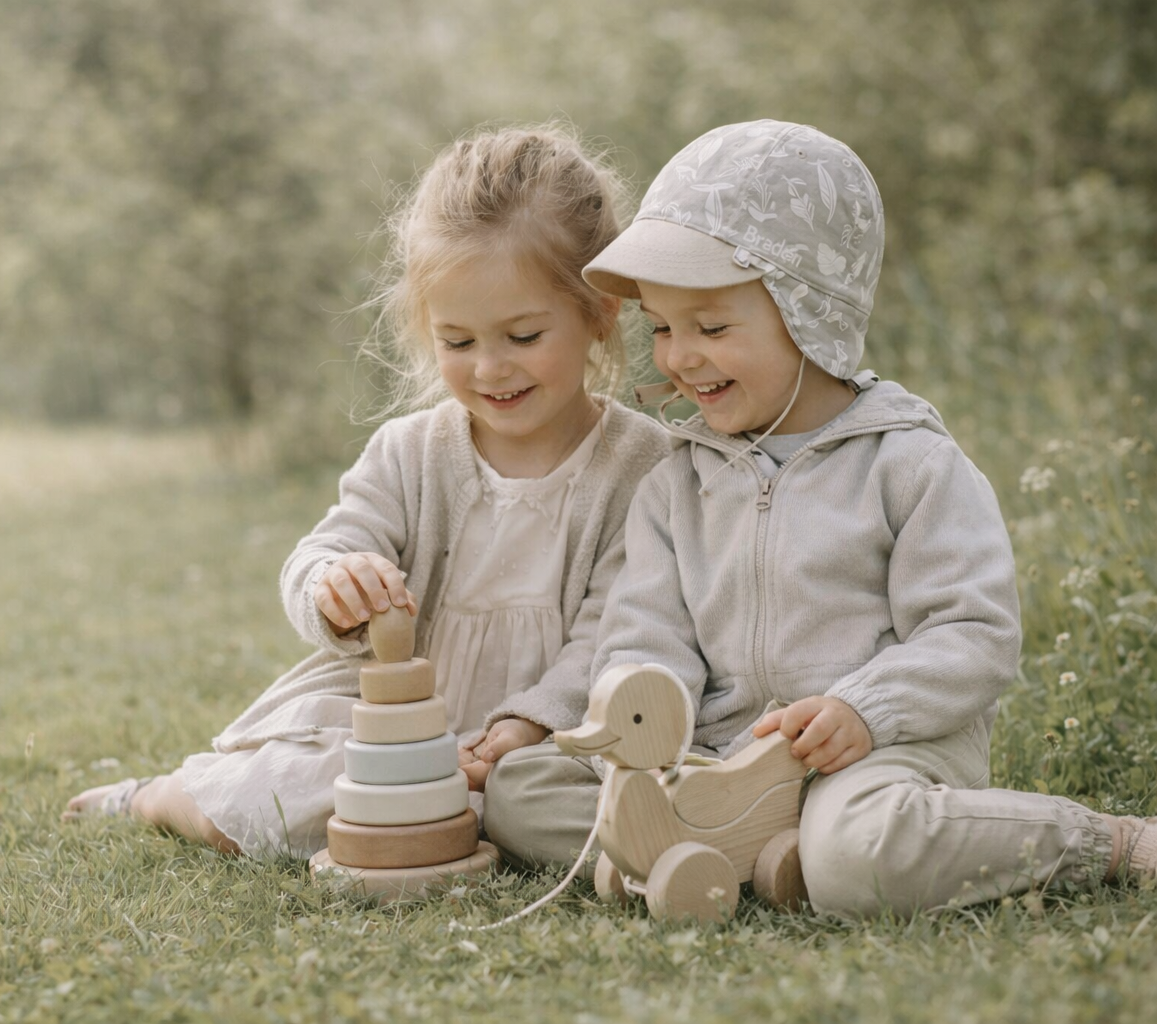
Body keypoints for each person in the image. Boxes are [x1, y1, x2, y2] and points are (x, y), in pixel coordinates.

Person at [484, 120, 1155, 914]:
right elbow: (647, 628)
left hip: (873, 754)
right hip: (719, 755)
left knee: (861, 849)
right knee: (520, 788)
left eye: (712, 326)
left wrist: (866, 710)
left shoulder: (908, 464)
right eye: (662, 327)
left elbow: (973, 633)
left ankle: (1108, 842)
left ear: (809, 314)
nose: (678, 356)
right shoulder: (677, 481)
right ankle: (759, 857)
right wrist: (648, 713)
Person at [63, 125, 672, 858]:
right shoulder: (413, 453)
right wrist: (334, 585)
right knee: (289, 793)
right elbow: (327, 547)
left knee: (575, 790)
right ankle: (160, 797)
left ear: (599, 311)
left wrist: (528, 724)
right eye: (458, 342)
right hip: (390, 722)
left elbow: (616, 627)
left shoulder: (641, 465)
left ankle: (475, 803)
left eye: (522, 336)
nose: (489, 369)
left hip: (549, 733)